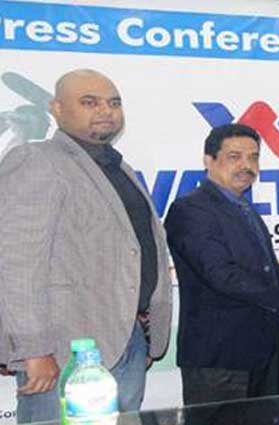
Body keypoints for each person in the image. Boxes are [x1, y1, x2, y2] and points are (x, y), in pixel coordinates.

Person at [0, 69, 172, 423]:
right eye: (89, 102)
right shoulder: (37, 161)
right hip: (64, 353)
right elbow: (17, 263)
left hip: (127, 339)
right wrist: (34, 350)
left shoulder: (118, 167)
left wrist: (144, 334)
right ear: (57, 109)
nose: (105, 111)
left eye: (114, 103)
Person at [164, 123, 279, 407]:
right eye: (234, 157)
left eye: (253, 157)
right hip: (222, 360)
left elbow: (261, 271)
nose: (246, 166)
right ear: (208, 160)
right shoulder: (190, 209)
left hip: (267, 353)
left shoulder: (243, 208)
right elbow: (224, 276)